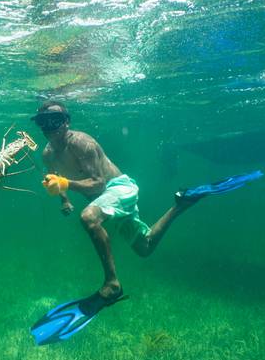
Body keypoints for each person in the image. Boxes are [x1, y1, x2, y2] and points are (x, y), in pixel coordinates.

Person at [31, 100, 202, 308]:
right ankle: (181, 205)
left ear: (66, 122)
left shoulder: (82, 143)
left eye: (55, 120)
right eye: (43, 122)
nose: (50, 127)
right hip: (104, 201)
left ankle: (112, 283)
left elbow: (97, 183)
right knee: (145, 247)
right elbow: (56, 178)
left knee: (88, 217)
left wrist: (66, 184)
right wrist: (64, 199)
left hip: (119, 188)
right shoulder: (48, 155)